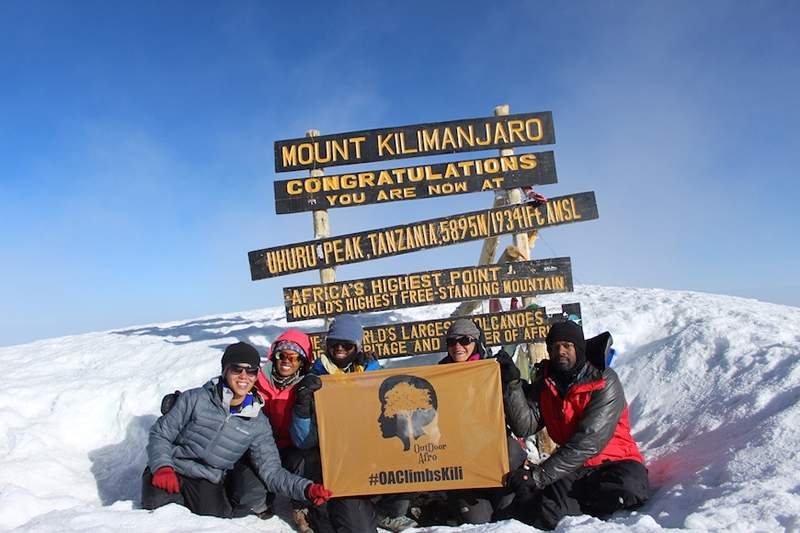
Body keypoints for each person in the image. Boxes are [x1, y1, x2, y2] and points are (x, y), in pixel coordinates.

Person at [141, 341, 332, 517]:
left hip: (207, 479)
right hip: (173, 468)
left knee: (210, 523)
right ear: (225, 370)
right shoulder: (196, 398)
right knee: (160, 513)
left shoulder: (258, 422)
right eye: (237, 369)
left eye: (250, 371)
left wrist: (307, 489)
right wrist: (162, 466)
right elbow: (160, 434)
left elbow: (272, 472)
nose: (243, 376)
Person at [496, 320, 649, 530]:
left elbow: (589, 441)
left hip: (615, 461)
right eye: (555, 346)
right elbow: (526, 426)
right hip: (575, 468)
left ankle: (581, 501)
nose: (561, 351)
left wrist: (538, 476)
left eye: (567, 346)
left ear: (578, 348)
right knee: (545, 512)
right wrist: (513, 386)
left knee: (628, 491)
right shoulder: (547, 382)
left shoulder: (604, 381)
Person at [290, 314, 383, 533]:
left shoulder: (372, 371)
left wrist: (372, 370)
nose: (339, 349)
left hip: (371, 459)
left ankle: (386, 509)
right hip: (333, 464)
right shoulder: (315, 378)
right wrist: (302, 406)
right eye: (334, 344)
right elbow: (303, 441)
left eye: (347, 344)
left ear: (357, 347)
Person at [429, 318, 527, 526]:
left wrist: (511, 383)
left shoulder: (494, 370)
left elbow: (520, 423)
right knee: (478, 522)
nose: (458, 347)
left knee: (509, 517)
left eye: (465, 340)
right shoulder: (438, 376)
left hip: (499, 459)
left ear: (477, 341)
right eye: (452, 341)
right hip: (462, 462)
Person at [224, 330, 317, 531]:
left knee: (308, 459)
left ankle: (301, 507)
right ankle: (262, 503)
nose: (286, 361)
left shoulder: (307, 386)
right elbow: (224, 393)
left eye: (293, 357)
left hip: (292, 448)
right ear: (273, 356)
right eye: (281, 355)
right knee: (248, 492)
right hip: (259, 449)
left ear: (302, 361)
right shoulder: (254, 380)